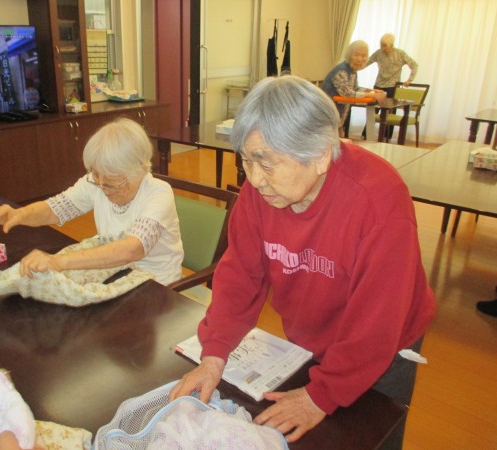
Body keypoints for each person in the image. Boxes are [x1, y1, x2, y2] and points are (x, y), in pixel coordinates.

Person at [170, 75, 436, 448]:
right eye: (246, 161)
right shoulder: (262, 192)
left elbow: (377, 322)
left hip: (383, 349)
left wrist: (321, 395)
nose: (255, 180)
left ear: (321, 155)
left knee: (373, 436)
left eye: (267, 165)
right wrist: (213, 355)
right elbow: (241, 275)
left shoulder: (378, 201)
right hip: (312, 339)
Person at [0, 117, 184, 286]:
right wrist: (19, 214)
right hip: (116, 274)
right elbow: (55, 209)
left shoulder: (158, 193)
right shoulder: (96, 182)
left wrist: (58, 261)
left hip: (158, 284)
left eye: (110, 180)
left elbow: (132, 249)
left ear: (138, 170)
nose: (101, 184)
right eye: (96, 173)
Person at [321, 40, 386, 135]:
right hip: (327, 116)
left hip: (337, 117)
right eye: (356, 55)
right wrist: (371, 95)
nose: (359, 59)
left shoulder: (352, 71)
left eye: (363, 56)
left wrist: (371, 91)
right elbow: (347, 93)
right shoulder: (341, 71)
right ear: (349, 55)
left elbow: (355, 88)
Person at [367, 33, 419, 99]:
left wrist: (409, 80)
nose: (383, 48)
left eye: (385, 45)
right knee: (374, 104)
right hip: (378, 86)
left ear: (391, 45)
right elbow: (366, 62)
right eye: (382, 45)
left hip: (393, 87)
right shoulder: (378, 53)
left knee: (390, 105)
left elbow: (414, 65)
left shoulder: (400, 53)